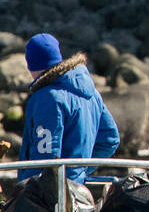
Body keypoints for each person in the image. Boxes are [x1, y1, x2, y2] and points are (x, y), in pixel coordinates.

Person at [19, 33, 119, 183]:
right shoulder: (92, 94)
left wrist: (30, 191)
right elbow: (110, 139)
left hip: (50, 195)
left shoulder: (47, 96)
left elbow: (46, 155)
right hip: (78, 190)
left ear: (30, 63)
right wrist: (79, 170)